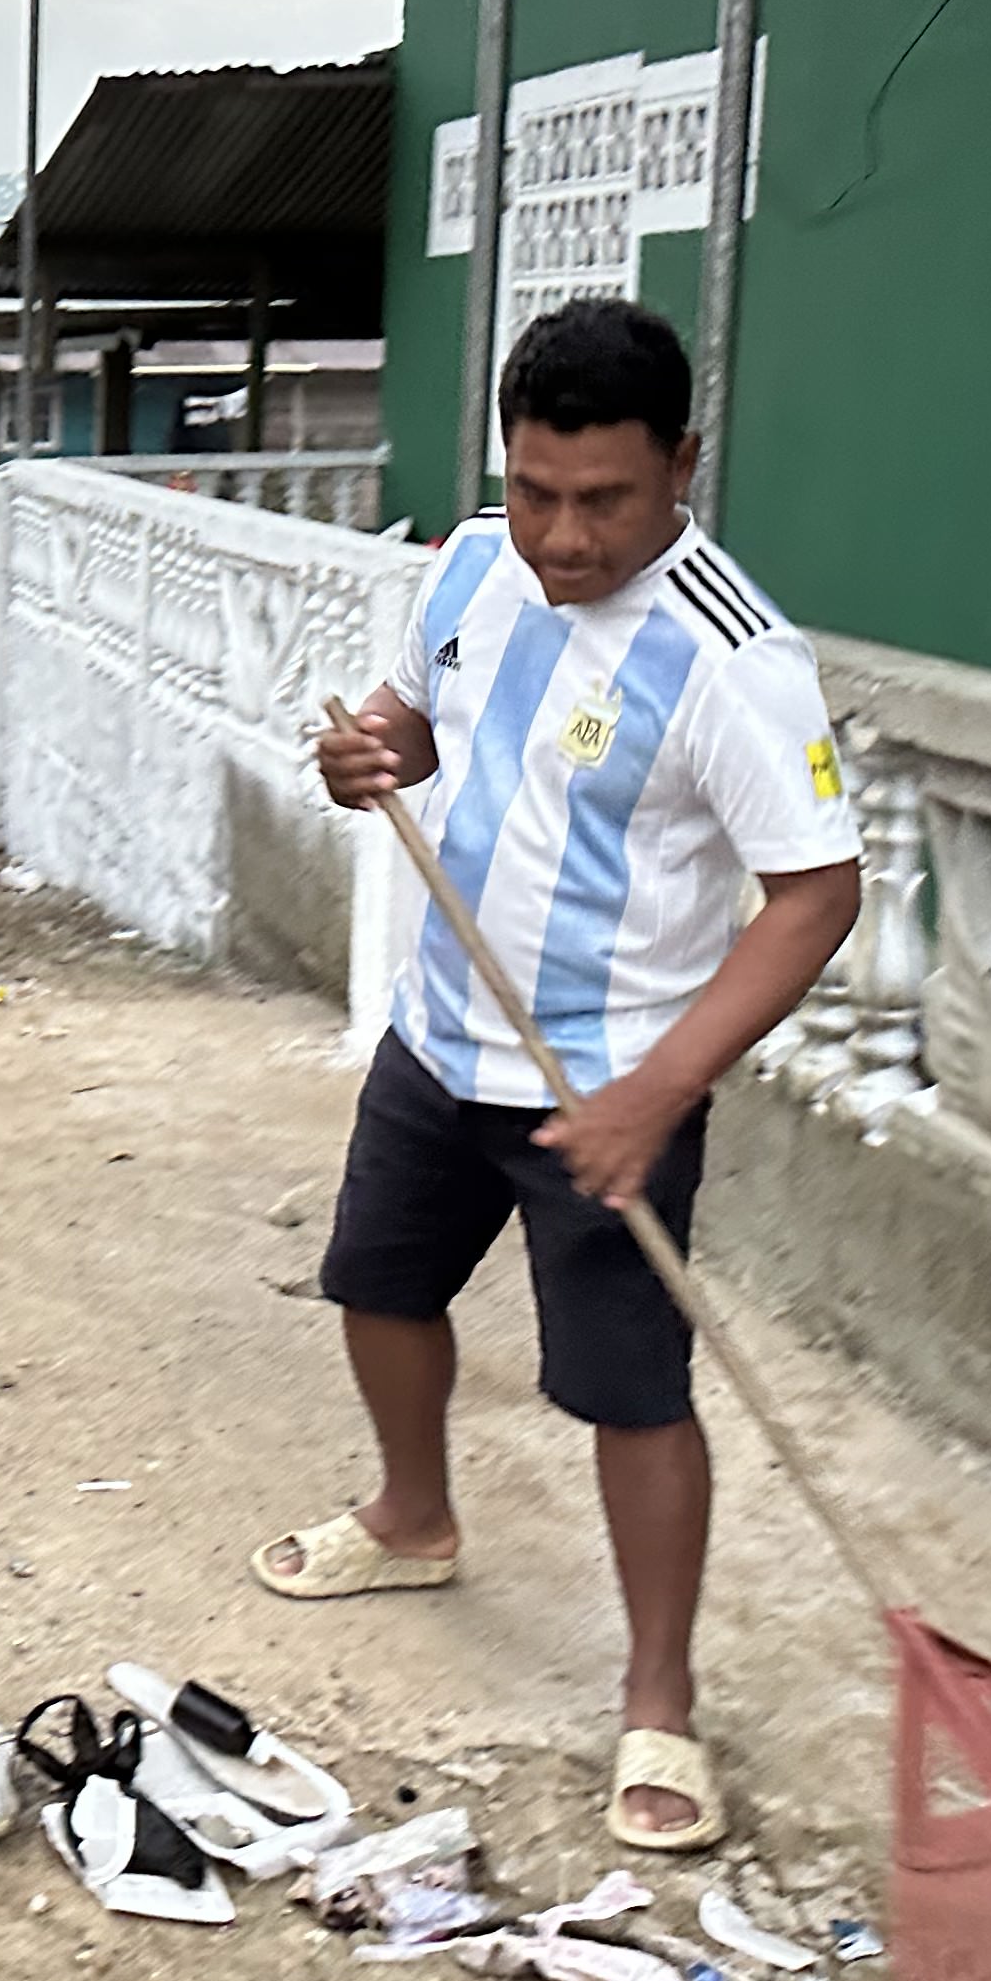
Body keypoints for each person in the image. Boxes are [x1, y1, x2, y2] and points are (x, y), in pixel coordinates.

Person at [279, 297, 862, 1858]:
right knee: (377, 1288)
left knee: (629, 1390)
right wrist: (373, 754)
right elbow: (422, 715)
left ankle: (658, 1699)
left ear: (683, 463)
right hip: (442, 1031)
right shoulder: (473, 564)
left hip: (612, 1080)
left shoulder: (737, 660)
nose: (561, 534)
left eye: (602, 499)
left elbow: (815, 896)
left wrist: (658, 1092)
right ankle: (414, 1517)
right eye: (536, 489)